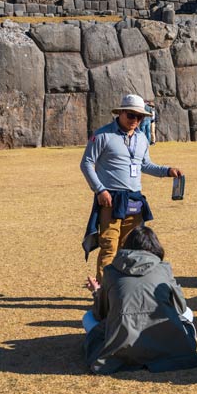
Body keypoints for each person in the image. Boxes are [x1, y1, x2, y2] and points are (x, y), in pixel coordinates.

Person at [80, 93, 183, 283]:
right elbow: (86, 163)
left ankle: (125, 287)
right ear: (120, 113)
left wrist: (167, 171)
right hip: (110, 199)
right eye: (131, 115)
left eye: (140, 116)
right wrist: (100, 190)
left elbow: (146, 165)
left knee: (131, 249)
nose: (136, 120)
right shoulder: (102, 135)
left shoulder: (142, 138)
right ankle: (104, 292)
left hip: (135, 200)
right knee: (109, 246)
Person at [82, 226, 197, 374]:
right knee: (188, 313)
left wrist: (97, 292)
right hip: (164, 342)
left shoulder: (110, 271)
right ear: (155, 246)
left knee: (87, 318)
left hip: (121, 344)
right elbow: (181, 308)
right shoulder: (163, 268)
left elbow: (101, 314)